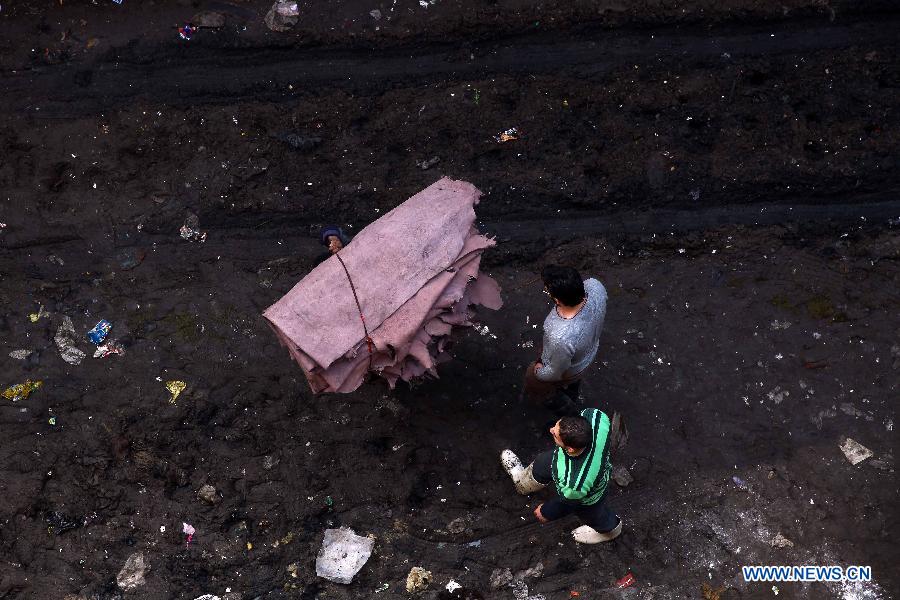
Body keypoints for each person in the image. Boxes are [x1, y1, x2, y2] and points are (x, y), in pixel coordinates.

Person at [500, 408, 622, 544]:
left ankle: (610, 531)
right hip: (562, 460)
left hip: (587, 495)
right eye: (556, 426)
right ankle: (522, 482)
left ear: (570, 448)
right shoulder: (595, 417)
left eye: (555, 435)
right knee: (542, 464)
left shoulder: (575, 484)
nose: (551, 430)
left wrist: (547, 512)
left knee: (594, 515)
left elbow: (568, 502)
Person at [522, 265, 607, 415]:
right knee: (572, 384)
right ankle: (571, 393)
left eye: (547, 290)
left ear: (557, 299)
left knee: (536, 382)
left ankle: (568, 416)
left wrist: (539, 372)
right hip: (587, 355)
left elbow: (555, 372)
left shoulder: (561, 336)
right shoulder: (595, 287)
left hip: (567, 368)